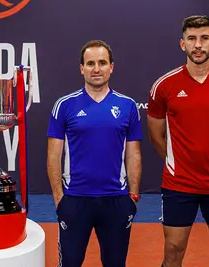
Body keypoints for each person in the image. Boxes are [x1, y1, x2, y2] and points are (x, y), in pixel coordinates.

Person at [146, 15, 209, 267]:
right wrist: (178, 161)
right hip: (179, 183)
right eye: (191, 39)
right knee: (173, 252)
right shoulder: (164, 86)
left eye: (204, 38)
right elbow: (156, 136)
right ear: (182, 44)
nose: (198, 45)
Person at [46, 39, 143, 267]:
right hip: (75, 200)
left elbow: (134, 155)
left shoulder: (128, 106)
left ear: (112, 66)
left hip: (116, 201)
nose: (96, 69)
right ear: (82, 68)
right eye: (90, 63)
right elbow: (53, 156)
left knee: (115, 263)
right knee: (70, 263)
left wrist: (134, 196)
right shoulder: (64, 105)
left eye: (102, 62)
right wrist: (60, 199)